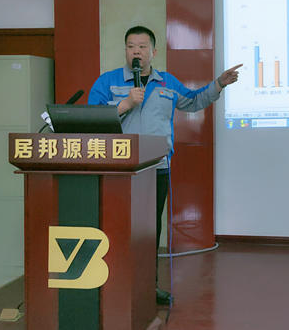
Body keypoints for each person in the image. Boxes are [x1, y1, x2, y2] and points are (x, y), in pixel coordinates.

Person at [88, 25, 241, 305]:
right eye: (131, 46)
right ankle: (114, 285)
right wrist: (124, 105)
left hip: (156, 168)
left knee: (150, 231)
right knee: (115, 226)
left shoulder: (166, 82)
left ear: (153, 52)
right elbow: (91, 118)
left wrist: (219, 83)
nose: (136, 52)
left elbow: (193, 102)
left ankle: (148, 286)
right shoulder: (107, 81)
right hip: (117, 169)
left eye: (142, 47)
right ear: (125, 50)